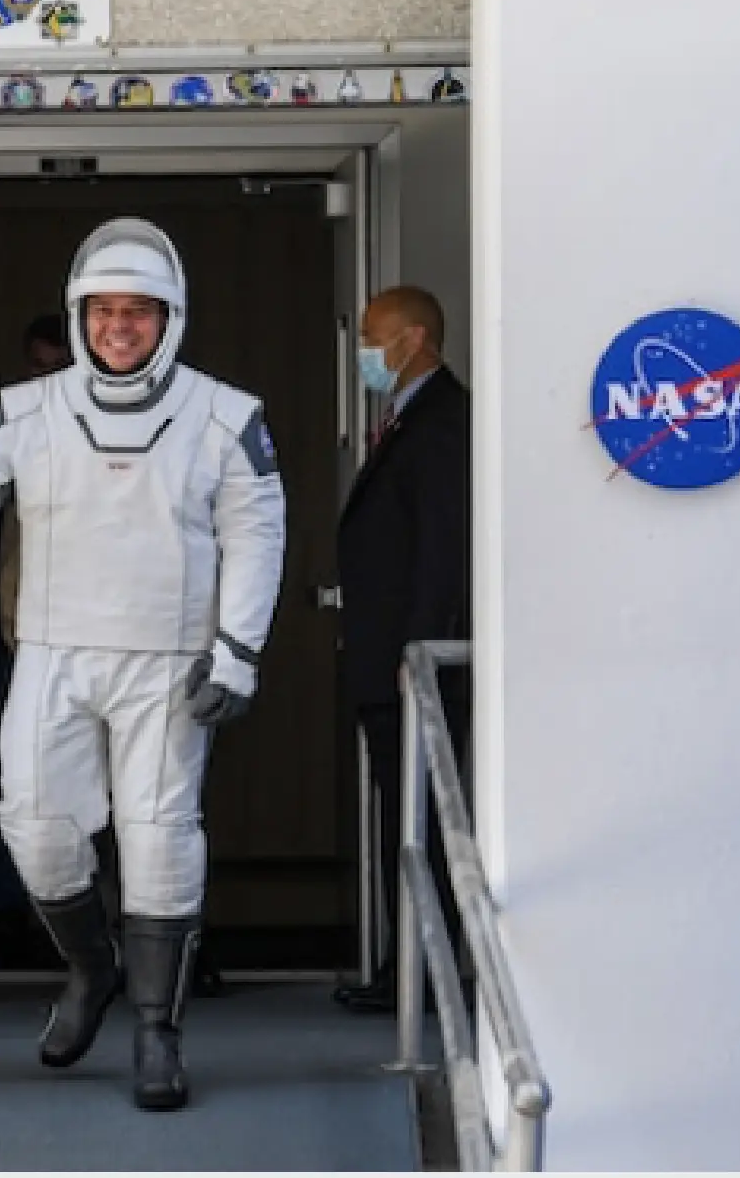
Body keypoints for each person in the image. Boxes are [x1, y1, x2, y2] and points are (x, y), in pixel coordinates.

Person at [0, 217, 287, 1111]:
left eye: (140, 312)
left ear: (171, 318)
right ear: (81, 317)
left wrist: (238, 652)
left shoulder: (225, 414)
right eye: (105, 311)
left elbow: (258, 531)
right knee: (35, 825)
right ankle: (92, 968)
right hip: (52, 653)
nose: (122, 327)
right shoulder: (29, 408)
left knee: (160, 841)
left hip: (169, 661)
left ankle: (159, 1032)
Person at [333, 284, 471, 1014]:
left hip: (412, 664)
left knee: (417, 821)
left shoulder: (444, 422)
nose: (364, 351)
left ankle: (421, 974)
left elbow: (442, 550)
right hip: (388, 658)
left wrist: (416, 644)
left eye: (372, 336)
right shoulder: (406, 419)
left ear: (413, 339)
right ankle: (404, 965)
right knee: (400, 816)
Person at [0, 314, 67, 960]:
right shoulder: (9, 431)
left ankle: (96, 916)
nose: (45, 378)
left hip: (96, 638)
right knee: (10, 778)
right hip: (15, 635)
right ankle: (9, 910)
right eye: (36, 365)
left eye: (55, 364)